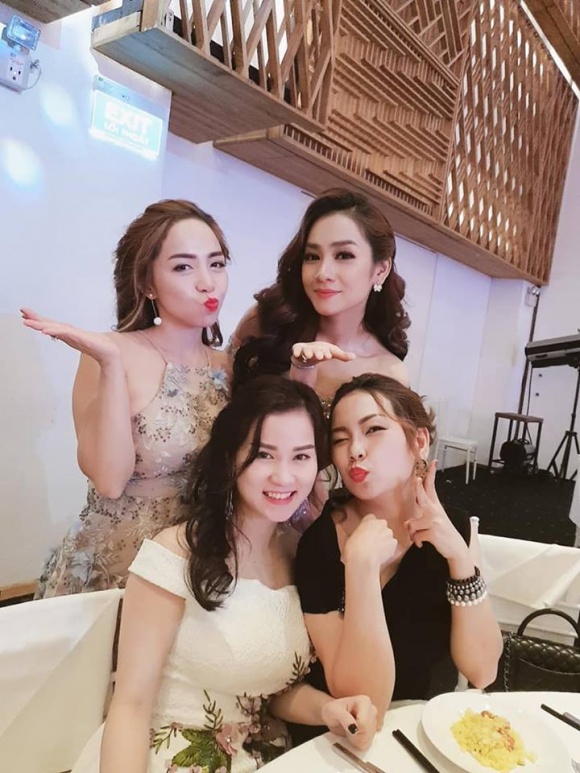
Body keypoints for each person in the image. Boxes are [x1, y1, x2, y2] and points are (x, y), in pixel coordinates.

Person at [72, 376, 377, 773]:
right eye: (264, 455)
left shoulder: (298, 552)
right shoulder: (175, 554)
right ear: (231, 457)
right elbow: (130, 705)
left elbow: (268, 692)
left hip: (264, 757)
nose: (284, 476)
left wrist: (327, 709)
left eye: (301, 457)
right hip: (164, 757)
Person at [21, 199, 231, 597]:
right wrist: (112, 366)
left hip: (193, 567)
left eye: (217, 263)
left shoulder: (230, 367)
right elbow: (109, 480)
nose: (207, 282)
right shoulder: (106, 352)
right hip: (116, 570)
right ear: (147, 283)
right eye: (183, 267)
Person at [292, 373, 503, 741]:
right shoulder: (321, 542)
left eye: (373, 429)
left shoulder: (452, 530)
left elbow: (483, 671)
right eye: (340, 439)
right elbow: (363, 701)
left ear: (418, 441)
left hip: (416, 730)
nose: (355, 450)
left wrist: (459, 558)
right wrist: (361, 569)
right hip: (333, 736)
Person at [232, 188, 411, 412]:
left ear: (380, 270)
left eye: (344, 255)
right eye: (312, 257)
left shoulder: (389, 372)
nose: (323, 273)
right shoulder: (266, 321)